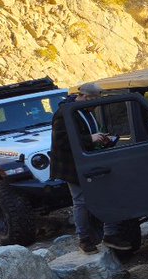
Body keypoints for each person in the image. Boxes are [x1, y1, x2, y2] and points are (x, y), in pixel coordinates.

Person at [50, 83, 124, 253]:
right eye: (93, 101)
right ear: (84, 96)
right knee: (81, 201)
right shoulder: (64, 113)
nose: (95, 106)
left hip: (89, 161)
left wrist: (103, 139)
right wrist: (90, 139)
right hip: (72, 166)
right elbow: (62, 141)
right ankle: (84, 239)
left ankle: (110, 234)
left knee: (107, 194)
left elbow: (89, 133)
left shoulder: (85, 111)